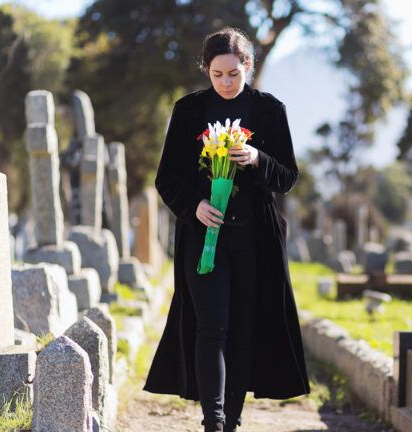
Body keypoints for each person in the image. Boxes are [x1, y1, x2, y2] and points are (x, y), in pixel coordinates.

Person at [143, 27, 310, 432]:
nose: (226, 82)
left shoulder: (271, 110)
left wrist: (257, 158)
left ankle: (231, 419)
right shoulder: (187, 111)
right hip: (203, 239)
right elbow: (166, 179)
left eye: (234, 73)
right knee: (211, 326)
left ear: (248, 66)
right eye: (217, 75)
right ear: (206, 71)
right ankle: (213, 421)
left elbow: (287, 176)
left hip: (255, 240)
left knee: (242, 331)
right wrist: (195, 206)